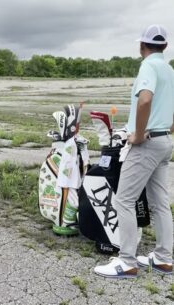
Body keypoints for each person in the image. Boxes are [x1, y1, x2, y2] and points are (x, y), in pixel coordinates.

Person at [94, 24, 174, 278]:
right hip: (164, 142)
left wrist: (138, 135)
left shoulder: (148, 66)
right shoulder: (170, 71)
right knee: (160, 203)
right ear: (165, 46)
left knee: (123, 200)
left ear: (142, 46)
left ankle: (127, 262)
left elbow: (146, 99)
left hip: (147, 143)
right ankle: (163, 259)